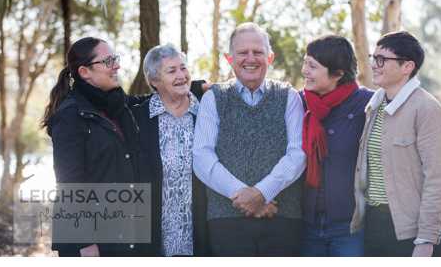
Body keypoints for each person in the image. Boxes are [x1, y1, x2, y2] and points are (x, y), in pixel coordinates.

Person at [193, 22, 306, 256]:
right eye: (243, 53)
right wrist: (246, 197)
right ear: (230, 58)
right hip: (226, 220)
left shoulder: (289, 97)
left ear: (270, 57)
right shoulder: (213, 98)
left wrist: (262, 193)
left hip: (281, 217)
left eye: (258, 52)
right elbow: (202, 157)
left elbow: (297, 155)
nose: (250, 58)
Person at [351, 32, 441, 256]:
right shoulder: (375, 105)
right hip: (376, 224)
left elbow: (437, 180)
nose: (374, 65)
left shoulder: (428, 109)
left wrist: (426, 239)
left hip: (415, 231)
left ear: (407, 66)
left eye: (382, 60)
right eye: (373, 58)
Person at [42, 38, 143, 257]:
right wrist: (85, 242)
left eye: (115, 59)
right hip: (89, 242)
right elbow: (69, 183)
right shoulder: (70, 115)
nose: (116, 65)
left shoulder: (117, 105)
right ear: (85, 72)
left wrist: (193, 87)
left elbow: (150, 100)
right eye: (108, 61)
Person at [131, 44, 209, 256]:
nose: (181, 75)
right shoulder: (137, 118)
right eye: (172, 71)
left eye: (183, 68)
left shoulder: (207, 111)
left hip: (202, 231)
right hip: (154, 235)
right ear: (154, 81)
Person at [299, 35, 373, 256]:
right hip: (307, 224)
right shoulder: (299, 102)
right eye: (305, 63)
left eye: (312, 66)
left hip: (348, 227)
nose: (305, 71)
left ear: (338, 74)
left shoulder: (367, 103)